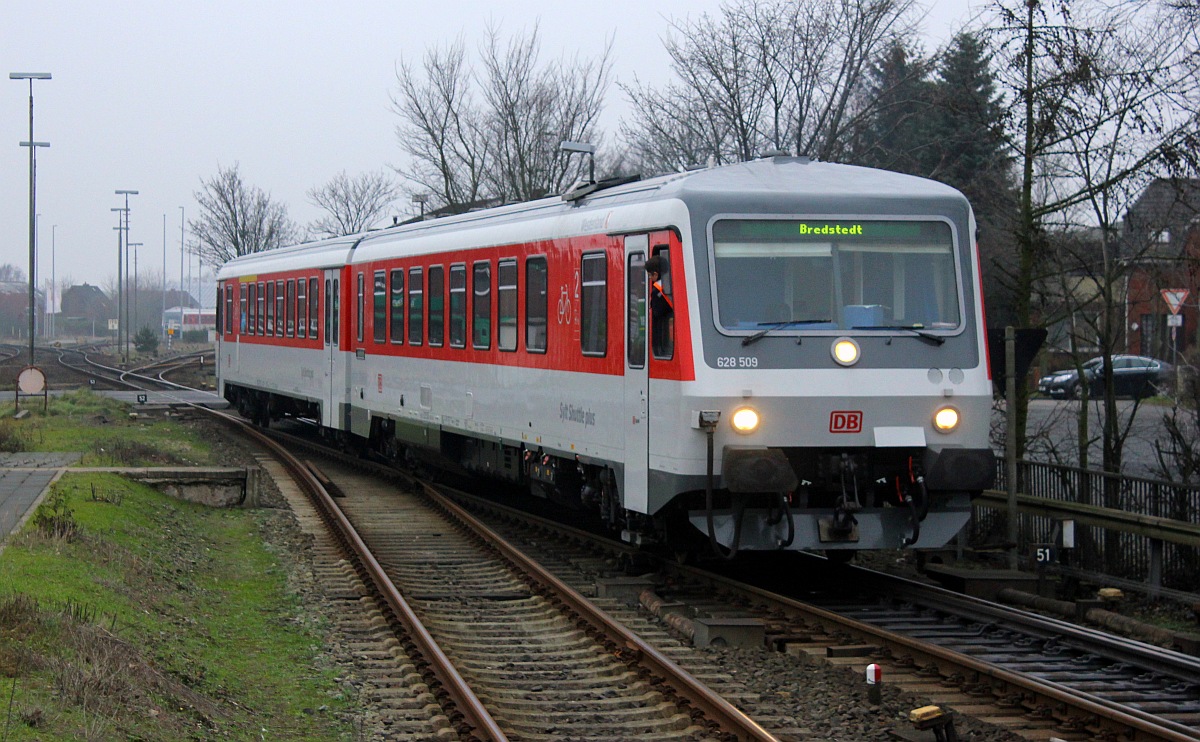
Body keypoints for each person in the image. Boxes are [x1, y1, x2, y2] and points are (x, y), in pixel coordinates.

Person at [645, 255, 674, 357]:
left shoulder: (657, 290)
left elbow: (657, 313)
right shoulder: (673, 283)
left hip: (662, 332)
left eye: (650, 275)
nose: (650, 278)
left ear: (655, 274)